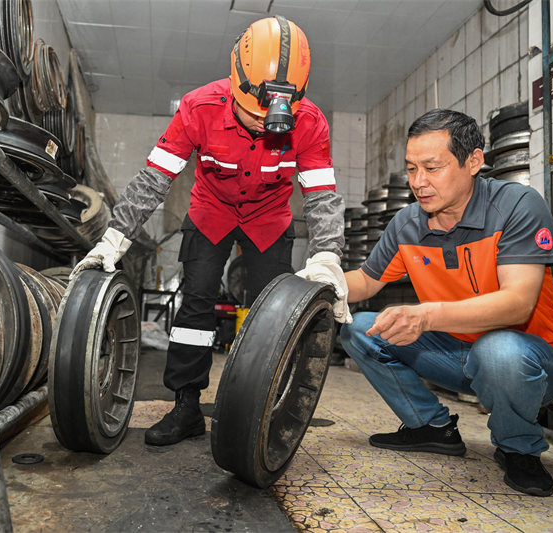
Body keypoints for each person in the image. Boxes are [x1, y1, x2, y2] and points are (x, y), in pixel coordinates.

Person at [72, 15, 352, 446]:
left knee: (272, 314)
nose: (264, 123)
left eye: (274, 116)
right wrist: (114, 237)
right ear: (236, 84)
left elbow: (321, 196)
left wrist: (328, 254)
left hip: (269, 219)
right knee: (196, 307)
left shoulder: (310, 122)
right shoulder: (198, 107)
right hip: (211, 212)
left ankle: (264, 406)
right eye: (254, 113)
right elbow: (154, 179)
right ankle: (186, 406)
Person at [340, 109, 553, 497]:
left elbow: (518, 304)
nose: (419, 182)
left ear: (474, 161)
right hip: (456, 354)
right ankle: (431, 428)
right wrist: (323, 279)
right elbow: (366, 281)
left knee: (497, 349)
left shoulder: (517, 206)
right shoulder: (407, 223)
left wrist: (428, 316)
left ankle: (518, 448)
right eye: (412, 169)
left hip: (531, 360)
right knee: (359, 328)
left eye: (432, 168)